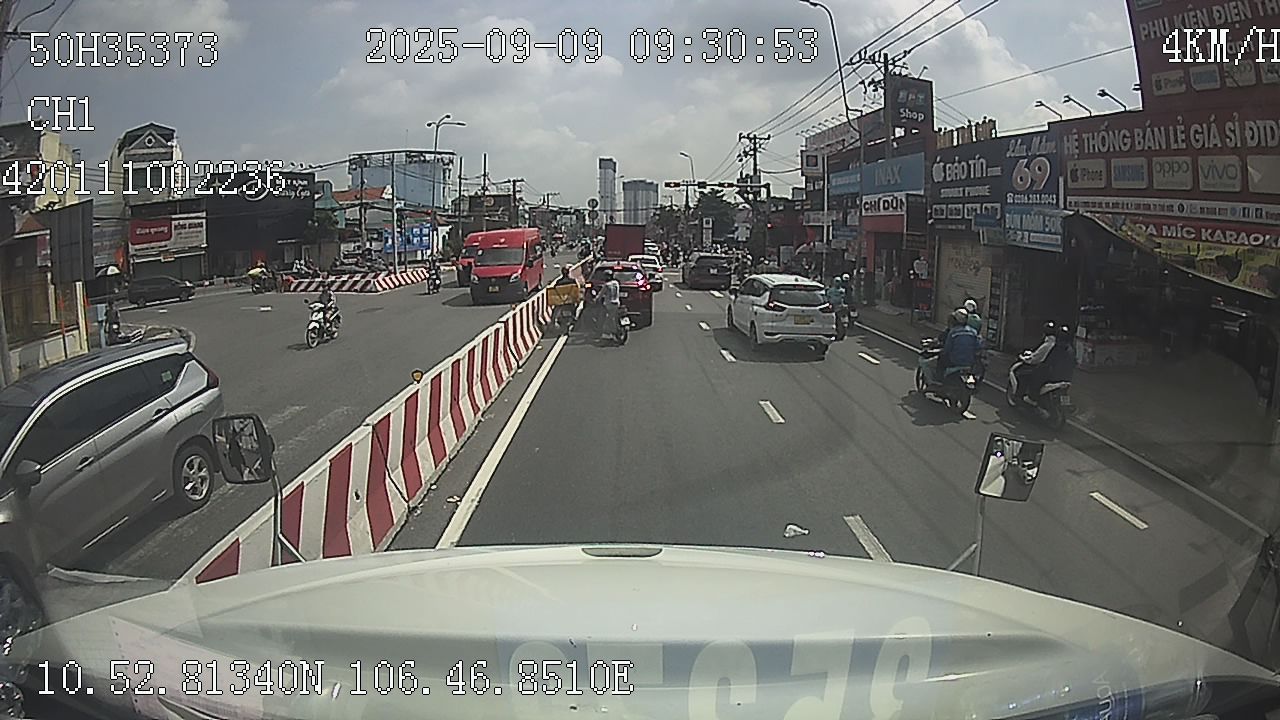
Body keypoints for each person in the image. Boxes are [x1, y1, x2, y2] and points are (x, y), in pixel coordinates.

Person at [1015, 322, 1062, 401]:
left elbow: (1035, 358)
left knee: (1022, 375)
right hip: (1054, 372)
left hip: (1043, 370)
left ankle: (1025, 397)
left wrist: (1023, 358)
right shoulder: (1056, 345)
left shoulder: (1047, 345)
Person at [939, 307, 981, 383]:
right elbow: (978, 347)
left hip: (955, 361)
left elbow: (947, 349)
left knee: (941, 359)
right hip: (970, 362)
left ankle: (940, 380)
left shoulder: (953, 332)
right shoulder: (973, 332)